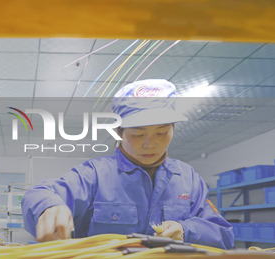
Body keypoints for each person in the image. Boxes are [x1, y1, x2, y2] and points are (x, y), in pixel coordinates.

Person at [21, 79, 234, 249]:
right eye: (137, 134)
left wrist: (186, 230)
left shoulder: (188, 179)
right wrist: (47, 207)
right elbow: (39, 193)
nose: (150, 144)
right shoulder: (95, 175)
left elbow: (223, 234)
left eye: (161, 132)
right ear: (118, 132)